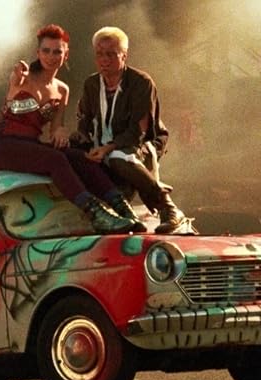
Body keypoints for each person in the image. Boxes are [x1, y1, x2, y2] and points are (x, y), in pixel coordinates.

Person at [0, 24, 144, 234]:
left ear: (66, 55)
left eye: (57, 52)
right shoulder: (22, 78)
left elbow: (56, 130)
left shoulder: (62, 90)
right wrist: (15, 78)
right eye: (46, 51)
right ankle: (97, 215)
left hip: (32, 145)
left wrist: (60, 132)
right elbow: (13, 85)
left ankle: (124, 210)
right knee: (55, 159)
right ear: (38, 53)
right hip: (5, 145)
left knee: (81, 158)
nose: (51, 57)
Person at [74, 26, 189, 234]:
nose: (104, 60)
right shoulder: (91, 84)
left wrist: (108, 148)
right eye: (100, 54)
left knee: (119, 157)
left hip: (140, 144)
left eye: (111, 54)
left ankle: (168, 207)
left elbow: (138, 131)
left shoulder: (141, 82)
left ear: (124, 56)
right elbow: (84, 119)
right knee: (73, 154)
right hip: (104, 146)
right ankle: (120, 214)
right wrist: (82, 139)